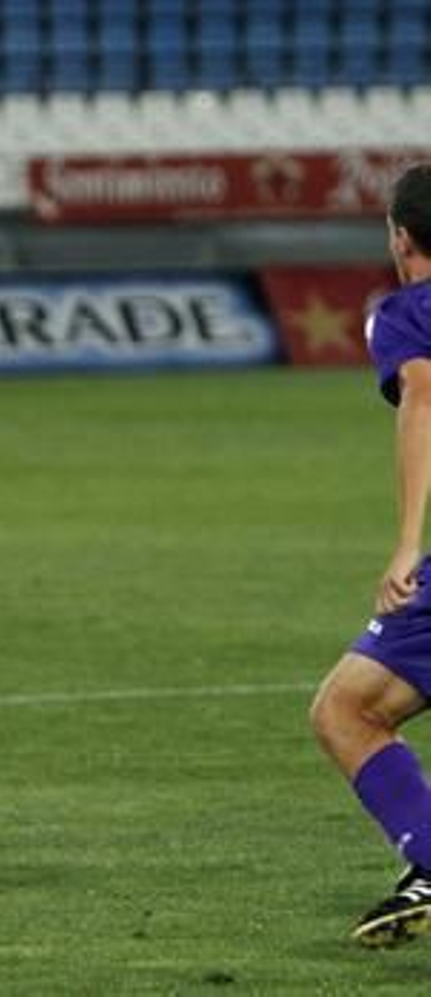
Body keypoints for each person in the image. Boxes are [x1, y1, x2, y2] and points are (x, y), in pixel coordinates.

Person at [312, 162, 431, 946]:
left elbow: (423, 396)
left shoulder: (406, 315)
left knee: (345, 710)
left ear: (399, 237)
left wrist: (406, 544)